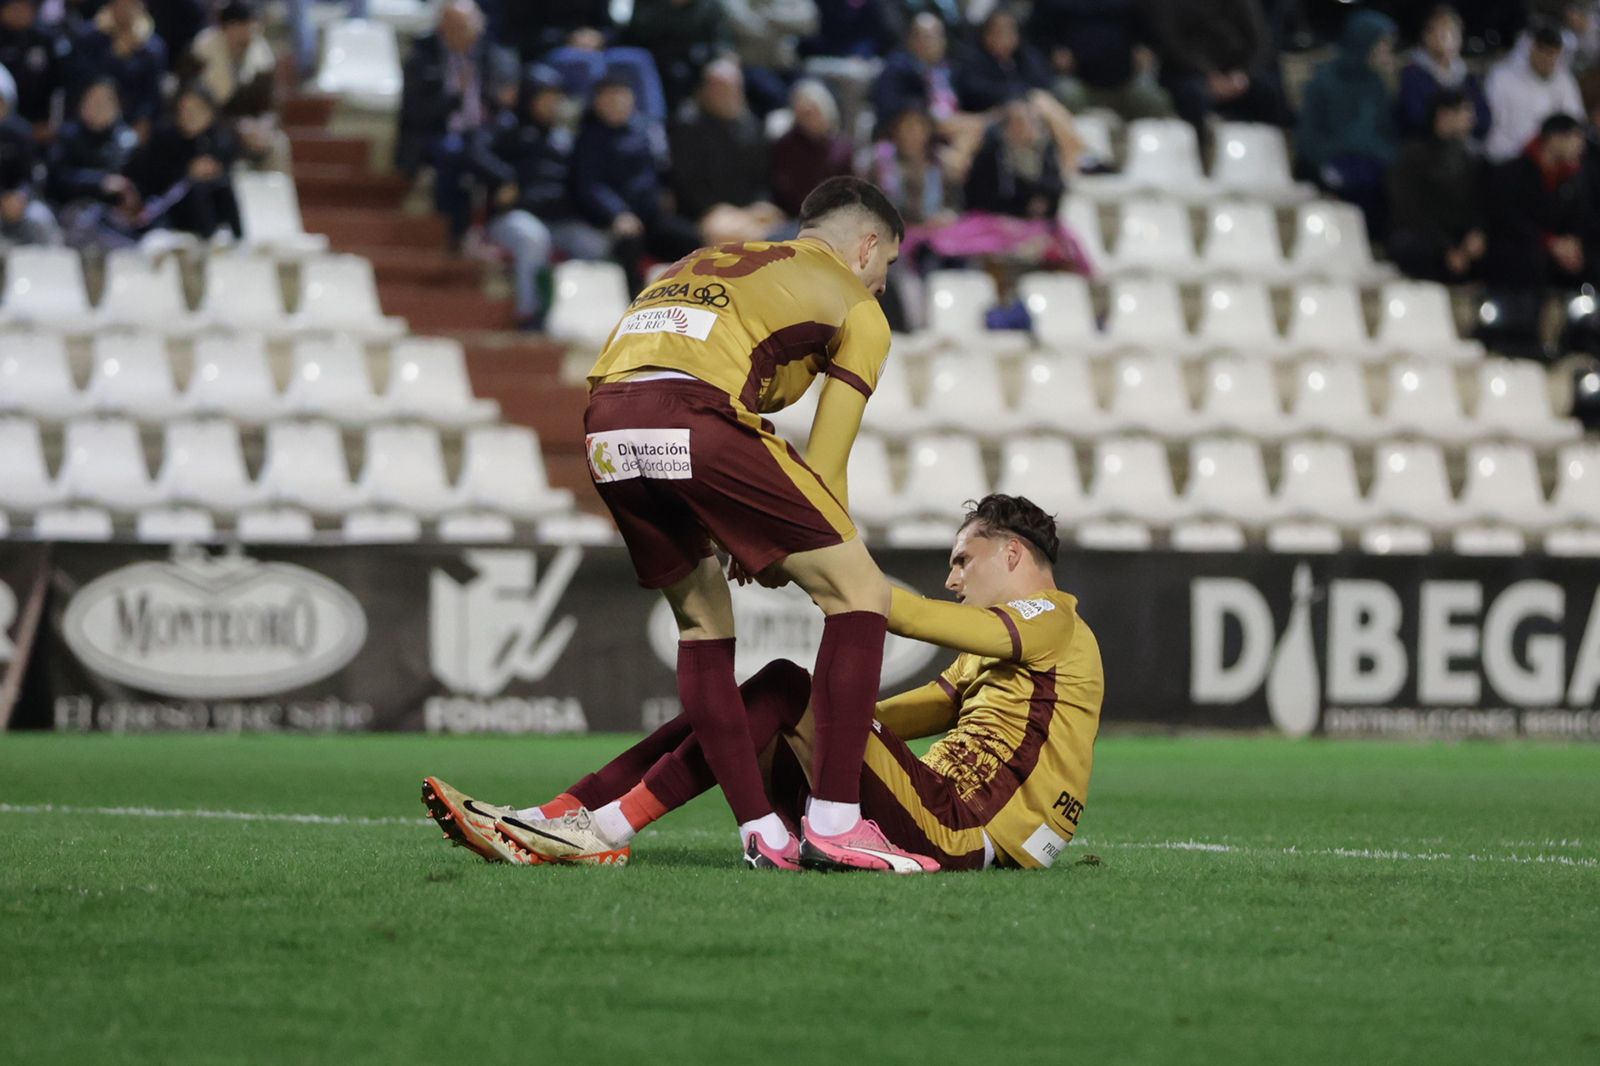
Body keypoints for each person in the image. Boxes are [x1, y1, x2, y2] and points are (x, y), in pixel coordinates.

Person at [531, 175, 918, 872]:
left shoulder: (709, 260)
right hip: (695, 418)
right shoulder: (859, 305)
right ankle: (835, 821)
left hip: (606, 425)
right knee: (861, 593)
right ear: (866, 247)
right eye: (887, 264)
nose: (884, 284)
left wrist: (751, 526)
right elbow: (826, 464)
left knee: (703, 623)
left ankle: (762, 832)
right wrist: (782, 541)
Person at [423, 494, 1105, 872]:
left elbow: (913, 618)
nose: (952, 578)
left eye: (964, 560)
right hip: (931, 810)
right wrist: (828, 726)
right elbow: (922, 710)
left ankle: (603, 830)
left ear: (1013, 554)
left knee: (781, 686)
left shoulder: (1053, 619)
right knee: (736, 706)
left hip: (965, 829)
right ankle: (559, 815)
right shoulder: (1010, 643)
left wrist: (820, 572)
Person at [470, 65, 608, 330]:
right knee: (533, 239)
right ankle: (529, 312)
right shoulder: (507, 126)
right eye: (546, 97)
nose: (552, 104)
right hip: (513, 217)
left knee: (594, 245)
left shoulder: (564, 137)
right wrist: (504, 179)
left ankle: (579, 314)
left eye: (556, 98)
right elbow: (474, 152)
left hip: (559, 219)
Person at [395, 0, 517, 247]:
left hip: (483, 133)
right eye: (456, 27)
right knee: (454, 151)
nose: (465, 34)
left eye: (469, 27)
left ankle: (487, 223)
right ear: (442, 28)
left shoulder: (492, 56)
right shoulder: (422, 58)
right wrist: (453, 98)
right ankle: (451, 227)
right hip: (438, 132)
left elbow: (503, 100)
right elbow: (415, 112)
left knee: (499, 147)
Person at [569, 76, 701, 292]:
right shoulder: (588, 138)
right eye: (609, 100)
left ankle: (688, 301)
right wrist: (617, 213)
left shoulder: (645, 131)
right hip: (612, 223)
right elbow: (589, 186)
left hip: (650, 216)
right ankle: (634, 307)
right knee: (630, 244)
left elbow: (659, 170)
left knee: (689, 240)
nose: (617, 105)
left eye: (621, 98)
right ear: (597, 103)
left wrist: (666, 193)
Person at [1296, 9, 1398, 238]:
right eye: (1382, 45)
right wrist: (1333, 158)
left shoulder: (1377, 85)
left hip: (1372, 167)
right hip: (1331, 164)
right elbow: (1308, 137)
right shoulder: (1323, 82)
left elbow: (1388, 134)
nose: (1386, 52)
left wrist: (1379, 156)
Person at [668, 58, 781, 243]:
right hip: (708, 213)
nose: (724, 94)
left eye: (731, 88)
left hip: (747, 211)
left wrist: (760, 203)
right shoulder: (687, 125)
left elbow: (762, 176)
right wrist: (720, 209)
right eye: (717, 87)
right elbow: (687, 184)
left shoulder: (750, 125)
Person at [1388, 89, 1487, 283]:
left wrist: (1477, 232)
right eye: (1465, 112)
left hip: (1460, 242)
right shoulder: (1411, 156)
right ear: (1444, 115)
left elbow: (1479, 204)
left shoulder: (1470, 159)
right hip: (1425, 239)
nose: (1472, 120)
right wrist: (1445, 248)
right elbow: (1409, 211)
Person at [1141, 0, 1286, 131]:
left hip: (1238, 71)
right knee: (1193, 94)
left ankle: (1273, 148)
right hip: (1188, 71)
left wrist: (1243, 73)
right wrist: (1210, 75)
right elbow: (1172, 45)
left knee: (1268, 89)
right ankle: (1201, 150)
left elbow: (1261, 40)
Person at [1486, 111, 1591, 289]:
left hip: (1555, 248)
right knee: (1530, 260)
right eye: (1575, 138)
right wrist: (1550, 243)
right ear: (1554, 139)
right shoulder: (1513, 172)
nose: (1580, 146)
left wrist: (1572, 241)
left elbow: (1577, 217)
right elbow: (1509, 219)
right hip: (1519, 249)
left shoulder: (1571, 178)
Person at [1029, 0, 1173, 122]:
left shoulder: (1128, 5)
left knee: (1156, 101)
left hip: (1125, 81)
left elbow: (1147, 30)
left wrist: (1145, 48)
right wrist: (1053, 52)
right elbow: (1036, 35)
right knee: (1064, 96)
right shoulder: (1057, 4)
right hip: (1078, 81)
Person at [128, 84, 238, 238]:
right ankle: (205, 240)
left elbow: (224, 166)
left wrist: (214, 170)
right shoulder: (164, 135)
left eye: (197, 110)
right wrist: (187, 171)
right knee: (195, 188)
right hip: (163, 208)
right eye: (185, 110)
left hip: (207, 207)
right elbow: (153, 179)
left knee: (223, 186)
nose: (190, 115)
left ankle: (238, 239)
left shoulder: (220, 137)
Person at [180, 1, 281, 169]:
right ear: (226, 28)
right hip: (207, 128)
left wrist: (263, 127)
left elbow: (268, 106)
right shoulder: (201, 52)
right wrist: (236, 127)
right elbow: (188, 101)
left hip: (249, 129)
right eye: (241, 27)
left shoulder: (262, 57)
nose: (246, 35)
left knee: (278, 144)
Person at [46, 76, 140, 247]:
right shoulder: (67, 136)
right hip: (72, 210)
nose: (97, 107)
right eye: (92, 99)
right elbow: (57, 180)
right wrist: (100, 182)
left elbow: (133, 185)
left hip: (114, 216)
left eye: (104, 101)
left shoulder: (127, 142)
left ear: (117, 106)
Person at [1484, 23, 1583, 163]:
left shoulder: (1565, 80)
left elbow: (1574, 124)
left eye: (1554, 54)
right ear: (1533, 49)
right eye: (1545, 52)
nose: (1549, 60)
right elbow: (1494, 128)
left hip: (1553, 162)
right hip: (1511, 158)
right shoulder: (1502, 77)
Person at [72, 0, 167, 136]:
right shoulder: (89, 36)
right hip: (85, 116)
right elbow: (79, 77)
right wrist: (115, 55)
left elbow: (152, 94)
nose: (125, 10)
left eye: (131, 4)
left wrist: (143, 121)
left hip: (128, 121)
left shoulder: (153, 49)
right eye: (120, 3)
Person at [1397, 5, 1491, 141]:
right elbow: (1413, 117)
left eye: (1454, 32)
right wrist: (1447, 122)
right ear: (1427, 36)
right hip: (1423, 150)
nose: (1448, 39)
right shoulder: (1412, 73)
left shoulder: (1466, 77)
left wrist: (1464, 123)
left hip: (1461, 152)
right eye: (1442, 32)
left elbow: (1484, 120)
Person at [770, 78, 852, 219]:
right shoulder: (784, 146)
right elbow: (781, 190)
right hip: (790, 217)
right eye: (804, 113)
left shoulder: (843, 149)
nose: (809, 118)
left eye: (813, 112)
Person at [953, 6, 1052, 115]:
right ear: (987, 35)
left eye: (1011, 30)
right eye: (999, 31)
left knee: (1042, 102)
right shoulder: (973, 58)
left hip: (1026, 108)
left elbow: (1042, 82)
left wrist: (1024, 95)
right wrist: (1018, 94)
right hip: (988, 114)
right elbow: (975, 91)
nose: (1006, 37)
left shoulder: (1025, 56)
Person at [0, 0, 70, 131]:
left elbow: (59, 85)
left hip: (38, 119)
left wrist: (52, 123)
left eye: (26, 6)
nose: (21, 12)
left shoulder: (45, 39)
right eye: (15, 7)